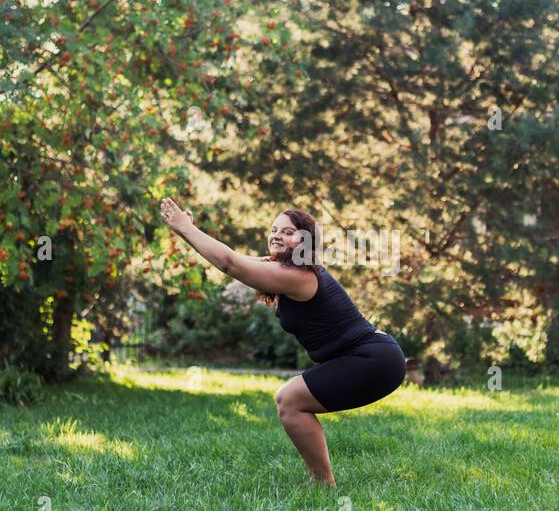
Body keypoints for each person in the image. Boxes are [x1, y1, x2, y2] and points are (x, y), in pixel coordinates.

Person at [158, 199, 406, 487]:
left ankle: (323, 484)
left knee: (289, 399)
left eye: (287, 232)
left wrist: (186, 228)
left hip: (375, 360)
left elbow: (230, 263)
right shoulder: (286, 270)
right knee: (290, 400)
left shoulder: (301, 276)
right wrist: (188, 231)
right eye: (274, 229)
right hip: (372, 357)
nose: (277, 235)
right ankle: (322, 483)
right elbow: (235, 259)